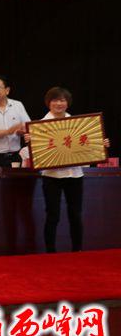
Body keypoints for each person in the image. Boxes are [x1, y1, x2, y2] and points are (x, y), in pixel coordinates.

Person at [24, 87, 110, 253]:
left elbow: (88, 144)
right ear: (49, 103)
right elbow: (35, 154)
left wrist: (101, 143)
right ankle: (50, 252)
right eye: (55, 100)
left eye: (62, 100)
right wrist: (30, 141)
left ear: (67, 103)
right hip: (51, 176)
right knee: (53, 215)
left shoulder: (78, 124)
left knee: (75, 214)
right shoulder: (39, 126)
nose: (59, 103)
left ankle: (77, 250)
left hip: (74, 175)